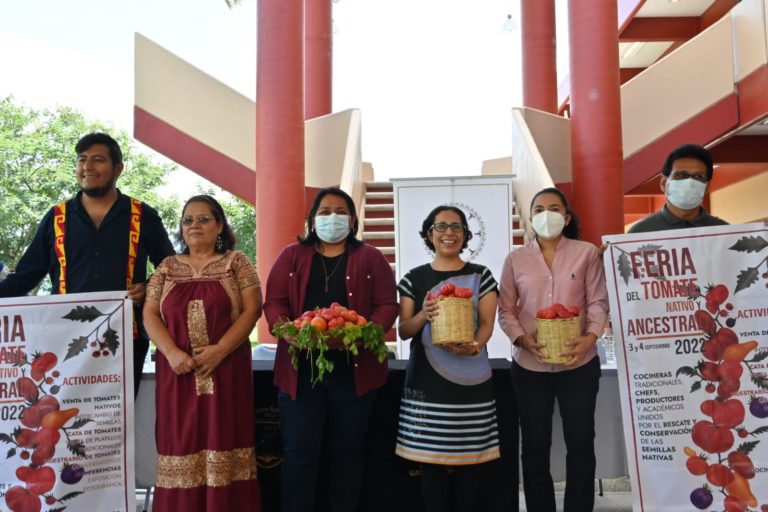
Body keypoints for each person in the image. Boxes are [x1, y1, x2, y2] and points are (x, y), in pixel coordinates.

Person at [0, 132, 174, 396]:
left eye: (97, 160)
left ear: (118, 168)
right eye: (82, 160)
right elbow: (26, 275)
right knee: (60, 415)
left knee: (117, 422)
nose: (87, 167)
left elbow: (171, 269)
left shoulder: (143, 215)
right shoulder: (56, 217)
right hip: (62, 339)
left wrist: (149, 287)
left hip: (125, 338)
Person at [263, 187, 398, 512]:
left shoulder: (371, 257)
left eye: (340, 212)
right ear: (312, 220)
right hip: (300, 374)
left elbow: (387, 306)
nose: (332, 217)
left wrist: (363, 333)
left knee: (348, 454)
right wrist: (287, 331)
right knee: (298, 455)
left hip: (355, 376)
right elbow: (275, 303)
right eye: (324, 212)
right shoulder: (291, 255)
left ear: (352, 220)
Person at [143, 194, 263, 511]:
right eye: (188, 220)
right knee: (180, 443)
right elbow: (150, 314)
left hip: (227, 371)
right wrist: (170, 353)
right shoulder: (167, 267)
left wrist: (219, 351)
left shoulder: (236, 262)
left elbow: (253, 310)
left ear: (220, 225)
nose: (194, 225)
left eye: (203, 219)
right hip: (177, 374)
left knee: (225, 439)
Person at [498, 187, 609, 512]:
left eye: (554, 208)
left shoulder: (586, 253)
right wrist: (521, 338)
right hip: (530, 367)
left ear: (567, 216)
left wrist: (590, 338)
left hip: (580, 364)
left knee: (580, 442)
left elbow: (598, 302)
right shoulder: (515, 259)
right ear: (531, 218)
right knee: (534, 445)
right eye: (539, 209)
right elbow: (506, 309)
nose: (547, 215)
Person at [395, 205, 500, 512]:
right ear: (429, 234)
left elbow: (487, 325)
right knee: (431, 467)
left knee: (470, 466)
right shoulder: (413, 278)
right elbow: (403, 330)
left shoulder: (482, 276)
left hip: (472, 386)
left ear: (466, 235)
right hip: (428, 387)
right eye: (440, 227)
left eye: (456, 227)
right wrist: (423, 316)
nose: (449, 233)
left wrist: (476, 346)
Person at [628, 143, 728, 233]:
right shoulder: (640, 232)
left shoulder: (724, 232)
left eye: (698, 177)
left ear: (706, 187)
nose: (689, 183)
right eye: (681, 175)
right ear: (663, 183)